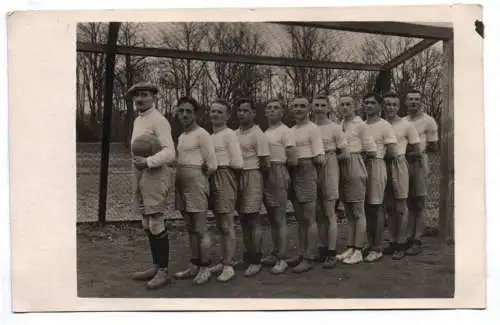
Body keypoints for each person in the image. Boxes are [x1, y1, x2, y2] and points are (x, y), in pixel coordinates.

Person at [128, 82, 176, 290]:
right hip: (140, 172)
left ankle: (164, 272)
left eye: (144, 95)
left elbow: (170, 152)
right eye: (137, 95)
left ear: (153, 97)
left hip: (155, 173)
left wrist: (148, 162)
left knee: (156, 222)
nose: (140, 99)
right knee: (147, 222)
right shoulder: (139, 119)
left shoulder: (159, 120)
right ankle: (157, 266)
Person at [173, 97, 218, 285]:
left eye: (188, 111)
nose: (184, 114)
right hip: (181, 185)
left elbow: (213, 164)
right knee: (190, 228)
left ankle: (205, 267)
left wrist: (198, 179)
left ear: (196, 114)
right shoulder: (181, 137)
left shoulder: (202, 134)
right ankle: (194, 264)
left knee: (200, 229)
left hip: (196, 185)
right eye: (181, 111)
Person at [336, 95, 377, 265]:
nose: (345, 107)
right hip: (341, 166)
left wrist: (358, 161)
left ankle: (359, 249)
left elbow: (372, 150)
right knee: (349, 210)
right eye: (342, 104)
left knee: (358, 210)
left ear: (354, 106)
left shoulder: (360, 125)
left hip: (355, 165)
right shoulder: (340, 124)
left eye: (348, 104)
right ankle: (352, 246)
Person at [207, 99, 243, 282]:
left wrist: (224, 173)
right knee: (220, 223)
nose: (215, 114)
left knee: (227, 223)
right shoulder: (210, 136)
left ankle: (229, 266)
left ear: (228, 116)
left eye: (219, 112)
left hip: (224, 176)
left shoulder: (229, 135)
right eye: (213, 111)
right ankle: (224, 259)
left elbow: (237, 162)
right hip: (211, 177)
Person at [288, 96, 324, 273]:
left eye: (302, 106)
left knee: (309, 217)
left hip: (307, 169)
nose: (299, 109)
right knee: (299, 217)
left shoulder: (313, 129)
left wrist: (310, 172)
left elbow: (319, 157)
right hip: (292, 171)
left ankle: (310, 256)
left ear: (308, 108)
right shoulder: (291, 130)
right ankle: (302, 253)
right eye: (295, 106)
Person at [382, 91, 420, 260]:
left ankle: (401, 242)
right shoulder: (380, 124)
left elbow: (416, 149)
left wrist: (401, 157)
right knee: (388, 207)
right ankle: (392, 240)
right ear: (384, 106)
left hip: (399, 165)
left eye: (393, 104)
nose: (390, 107)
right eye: (387, 104)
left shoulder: (406, 125)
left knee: (401, 206)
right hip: (382, 165)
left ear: (398, 106)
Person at [235, 98, 271, 277]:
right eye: (239, 110)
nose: (242, 114)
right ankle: (247, 256)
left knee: (253, 219)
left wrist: (256, 179)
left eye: (246, 110)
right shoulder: (235, 133)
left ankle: (256, 259)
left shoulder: (258, 134)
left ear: (253, 113)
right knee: (243, 219)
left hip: (253, 175)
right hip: (238, 177)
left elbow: (265, 163)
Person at [311, 95, 347, 268]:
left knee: (329, 210)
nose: (319, 108)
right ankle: (322, 248)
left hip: (329, 167)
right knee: (317, 212)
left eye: (322, 105)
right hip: (311, 169)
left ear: (328, 108)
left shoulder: (334, 128)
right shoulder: (309, 127)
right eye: (316, 105)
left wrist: (329, 160)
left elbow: (345, 153)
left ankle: (332, 252)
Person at [262, 99, 297, 274]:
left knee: (279, 217)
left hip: (278, 171)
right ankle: (276, 252)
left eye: (276, 108)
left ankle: (282, 258)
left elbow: (292, 159)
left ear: (282, 112)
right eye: (269, 108)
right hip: (266, 173)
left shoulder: (286, 131)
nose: (272, 110)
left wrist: (282, 174)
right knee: (272, 218)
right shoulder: (266, 131)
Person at [403, 90, 439, 256]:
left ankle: (416, 239)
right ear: (406, 102)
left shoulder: (428, 121)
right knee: (407, 201)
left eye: (417, 99)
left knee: (418, 202)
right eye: (410, 99)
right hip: (403, 162)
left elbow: (433, 146)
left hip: (419, 162)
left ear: (421, 101)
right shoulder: (403, 121)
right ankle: (407, 238)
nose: (414, 102)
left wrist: (419, 150)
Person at [363, 92, 398, 263]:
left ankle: (377, 247)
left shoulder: (384, 126)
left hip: (377, 164)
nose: (369, 106)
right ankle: (369, 243)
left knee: (376, 207)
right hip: (361, 166)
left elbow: (392, 152)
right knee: (365, 207)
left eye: (372, 103)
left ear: (379, 106)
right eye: (366, 103)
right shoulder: (361, 125)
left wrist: (378, 161)